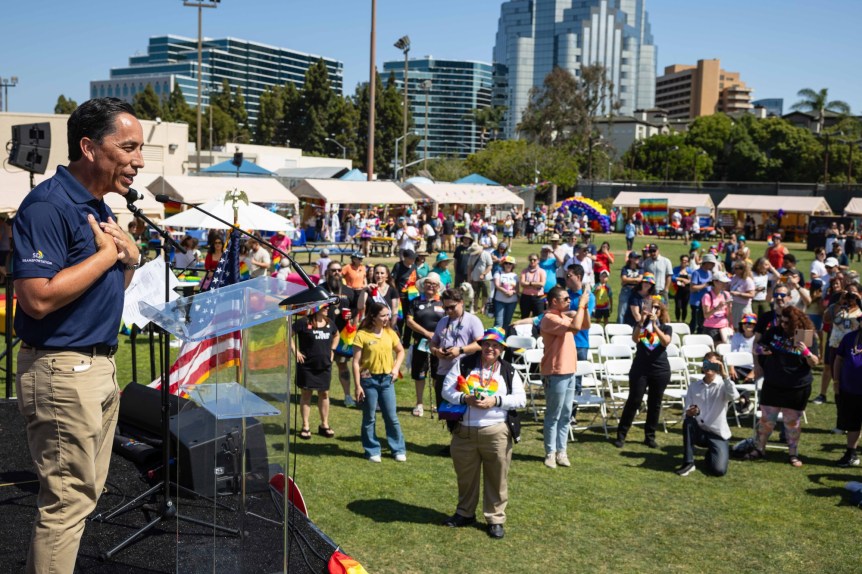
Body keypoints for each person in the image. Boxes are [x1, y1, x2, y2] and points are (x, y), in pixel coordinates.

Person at [13, 97, 144, 573]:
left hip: (98, 366)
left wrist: (126, 263)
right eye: (128, 147)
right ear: (89, 147)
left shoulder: (97, 207)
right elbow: (37, 298)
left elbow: (97, 293)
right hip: (62, 370)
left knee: (81, 499)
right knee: (66, 505)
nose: (139, 161)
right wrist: (108, 256)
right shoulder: (48, 204)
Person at [441, 327, 526, 539]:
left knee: (497, 478)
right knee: (466, 476)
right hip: (465, 432)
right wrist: (464, 399)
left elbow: (520, 399)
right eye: (487, 344)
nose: (490, 348)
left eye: (495, 345)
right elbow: (446, 390)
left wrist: (496, 400)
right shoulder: (464, 363)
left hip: (496, 431)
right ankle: (465, 513)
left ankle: (495, 519)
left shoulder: (509, 370)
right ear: (480, 345)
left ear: (502, 349)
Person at [747, 306, 820, 466]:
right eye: (781, 321)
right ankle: (760, 448)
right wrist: (761, 350)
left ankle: (793, 453)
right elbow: (757, 347)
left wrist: (806, 352)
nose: (783, 324)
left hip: (797, 386)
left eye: (787, 322)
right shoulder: (774, 332)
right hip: (773, 383)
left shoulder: (805, 335)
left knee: (792, 423)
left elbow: (814, 362)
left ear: (796, 322)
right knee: (767, 420)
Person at [540, 286, 590, 469]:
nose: (570, 301)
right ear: (554, 301)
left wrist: (585, 307)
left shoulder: (563, 316)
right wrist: (581, 306)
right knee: (553, 414)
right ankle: (550, 453)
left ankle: (562, 452)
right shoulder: (550, 318)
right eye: (566, 298)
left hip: (569, 371)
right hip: (556, 372)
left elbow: (585, 325)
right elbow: (577, 326)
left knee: (566, 414)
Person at [352, 301, 407, 462]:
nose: (386, 319)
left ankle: (398, 449)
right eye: (383, 316)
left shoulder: (390, 333)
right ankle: (372, 450)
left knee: (391, 417)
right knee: (369, 417)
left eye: (387, 315)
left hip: (386, 381)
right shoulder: (362, 335)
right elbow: (355, 362)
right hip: (368, 381)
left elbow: (401, 351)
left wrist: (396, 368)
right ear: (373, 317)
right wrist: (357, 386)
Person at [614, 300, 673, 449]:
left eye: (657, 308)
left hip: (660, 370)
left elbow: (665, 342)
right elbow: (635, 339)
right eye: (651, 307)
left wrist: (655, 327)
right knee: (634, 400)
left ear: (661, 311)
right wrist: (641, 321)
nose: (654, 310)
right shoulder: (640, 326)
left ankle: (650, 436)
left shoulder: (666, 327)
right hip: (640, 369)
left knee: (655, 403)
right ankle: (621, 435)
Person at [429, 288, 485, 440]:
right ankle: (454, 442)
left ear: (461, 303)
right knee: (447, 409)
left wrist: (460, 350)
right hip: (443, 371)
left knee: (463, 409)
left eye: (452, 307)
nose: (448, 311)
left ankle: (465, 442)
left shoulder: (473, 320)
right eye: (445, 307)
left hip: (464, 373)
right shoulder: (443, 320)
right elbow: (433, 342)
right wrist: (436, 351)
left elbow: (481, 344)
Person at [675, 351, 740, 477]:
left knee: (719, 470)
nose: (709, 367)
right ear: (702, 365)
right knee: (688, 422)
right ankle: (688, 462)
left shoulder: (723, 385)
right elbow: (686, 411)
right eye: (706, 363)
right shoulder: (694, 386)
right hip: (699, 430)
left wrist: (725, 375)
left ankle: (711, 454)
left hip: (717, 434)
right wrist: (689, 412)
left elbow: (734, 396)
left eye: (713, 364)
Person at [291, 305, 339, 439]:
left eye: (328, 307)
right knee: (306, 394)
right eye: (324, 306)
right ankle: (305, 426)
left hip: (324, 366)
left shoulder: (330, 323)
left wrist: (333, 350)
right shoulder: (304, 322)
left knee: (324, 394)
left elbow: (337, 335)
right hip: (307, 366)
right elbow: (288, 334)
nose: (327, 308)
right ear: (316, 307)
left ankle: (324, 424)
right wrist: (296, 352)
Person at [813, 285, 862, 405]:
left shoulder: (860, 309)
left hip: (853, 348)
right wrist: (839, 303)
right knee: (831, 371)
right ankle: (825, 395)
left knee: (848, 373)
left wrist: (859, 300)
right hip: (835, 345)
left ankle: (847, 397)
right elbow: (826, 319)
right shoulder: (837, 307)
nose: (850, 296)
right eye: (848, 293)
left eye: (853, 293)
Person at [405, 273, 445, 417]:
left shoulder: (442, 302)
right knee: (420, 375)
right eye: (428, 283)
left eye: (434, 284)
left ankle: (437, 403)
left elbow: (448, 320)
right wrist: (426, 333)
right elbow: (409, 321)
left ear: (438, 287)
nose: (431, 286)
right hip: (420, 344)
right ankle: (419, 403)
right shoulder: (415, 302)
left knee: (437, 374)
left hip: (439, 345)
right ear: (423, 285)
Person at [322, 263, 361, 407]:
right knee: (325, 365)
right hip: (324, 333)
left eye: (339, 270)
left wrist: (352, 316)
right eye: (333, 270)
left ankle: (347, 396)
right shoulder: (320, 289)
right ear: (327, 272)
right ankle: (323, 393)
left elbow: (355, 309)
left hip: (342, 335)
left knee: (343, 365)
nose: (337, 272)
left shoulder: (348, 291)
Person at [833, 315, 862, 467]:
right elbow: (838, 359)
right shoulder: (849, 337)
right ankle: (851, 453)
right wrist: (836, 381)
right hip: (849, 389)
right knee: (852, 423)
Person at [357, 264, 399, 329]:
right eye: (377, 273)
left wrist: (392, 327)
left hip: (386, 325)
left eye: (382, 273)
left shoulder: (393, 291)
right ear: (374, 274)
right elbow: (360, 306)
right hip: (370, 325)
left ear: (387, 275)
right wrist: (364, 290)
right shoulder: (368, 290)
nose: (379, 276)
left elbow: (394, 312)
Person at [702, 271, 733, 345]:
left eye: (725, 282)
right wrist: (717, 307)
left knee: (726, 348)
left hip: (725, 327)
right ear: (715, 282)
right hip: (711, 328)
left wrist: (731, 325)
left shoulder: (726, 294)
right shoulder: (707, 296)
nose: (725, 284)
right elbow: (706, 315)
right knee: (715, 350)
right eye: (722, 282)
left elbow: (728, 314)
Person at [688, 253, 716, 334]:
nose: (713, 265)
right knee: (695, 321)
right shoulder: (696, 273)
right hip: (697, 302)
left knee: (703, 322)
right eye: (712, 263)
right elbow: (692, 288)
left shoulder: (710, 273)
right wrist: (705, 285)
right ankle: (691, 335)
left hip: (706, 302)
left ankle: (700, 335)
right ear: (706, 263)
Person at [493, 256, 519, 327]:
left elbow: (517, 289)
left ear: (513, 265)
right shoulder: (498, 273)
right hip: (500, 301)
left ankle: (505, 337)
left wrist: (512, 292)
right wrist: (505, 291)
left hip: (512, 302)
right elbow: (497, 285)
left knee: (507, 322)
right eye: (506, 263)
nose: (508, 265)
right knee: (498, 322)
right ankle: (496, 337)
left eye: (510, 263)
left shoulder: (515, 275)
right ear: (503, 264)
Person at [467, 242, 493, 315]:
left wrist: (483, 274)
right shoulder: (471, 256)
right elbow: (469, 267)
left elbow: (490, 266)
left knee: (485, 294)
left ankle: (483, 307)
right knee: (475, 293)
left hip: (486, 278)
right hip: (474, 278)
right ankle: (475, 307)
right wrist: (469, 277)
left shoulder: (486, 254)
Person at [618, 251, 643, 324]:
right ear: (631, 259)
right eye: (635, 257)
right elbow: (623, 279)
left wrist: (628, 280)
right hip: (626, 291)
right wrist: (635, 280)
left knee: (636, 311)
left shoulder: (640, 268)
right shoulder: (625, 268)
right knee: (622, 311)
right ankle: (620, 328)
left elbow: (640, 279)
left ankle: (636, 328)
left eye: (638, 257)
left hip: (636, 291)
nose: (637, 259)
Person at [519, 253, 546, 319]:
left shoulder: (542, 271)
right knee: (524, 317)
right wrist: (535, 284)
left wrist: (529, 284)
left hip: (538, 297)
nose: (532, 261)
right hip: (525, 297)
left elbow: (542, 284)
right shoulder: (524, 271)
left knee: (538, 318)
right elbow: (522, 283)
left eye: (534, 260)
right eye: (531, 260)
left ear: (538, 260)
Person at [728, 261, 755, 327]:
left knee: (743, 326)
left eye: (736, 268)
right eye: (734, 268)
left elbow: (751, 295)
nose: (734, 270)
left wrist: (739, 294)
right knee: (734, 326)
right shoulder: (734, 277)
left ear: (742, 269)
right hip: (734, 304)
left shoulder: (748, 280)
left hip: (743, 307)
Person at [671, 254, 693, 323]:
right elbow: (672, 277)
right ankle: (678, 320)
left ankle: (683, 320)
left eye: (686, 261)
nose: (684, 262)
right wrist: (682, 279)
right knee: (677, 306)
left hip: (687, 290)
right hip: (677, 290)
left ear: (688, 262)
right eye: (683, 260)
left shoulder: (690, 270)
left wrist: (688, 281)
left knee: (685, 306)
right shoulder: (676, 269)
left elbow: (693, 280)